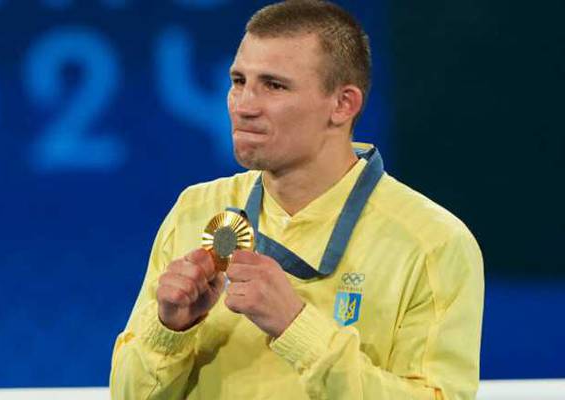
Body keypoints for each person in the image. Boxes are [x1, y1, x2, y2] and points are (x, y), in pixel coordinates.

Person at [109, 1, 484, 399]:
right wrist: (169, 330)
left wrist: (297, 328)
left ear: (343, 104)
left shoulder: (432, 243)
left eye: (274, 85)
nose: (244, 106)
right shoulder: (196, 209)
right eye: (238, 81)